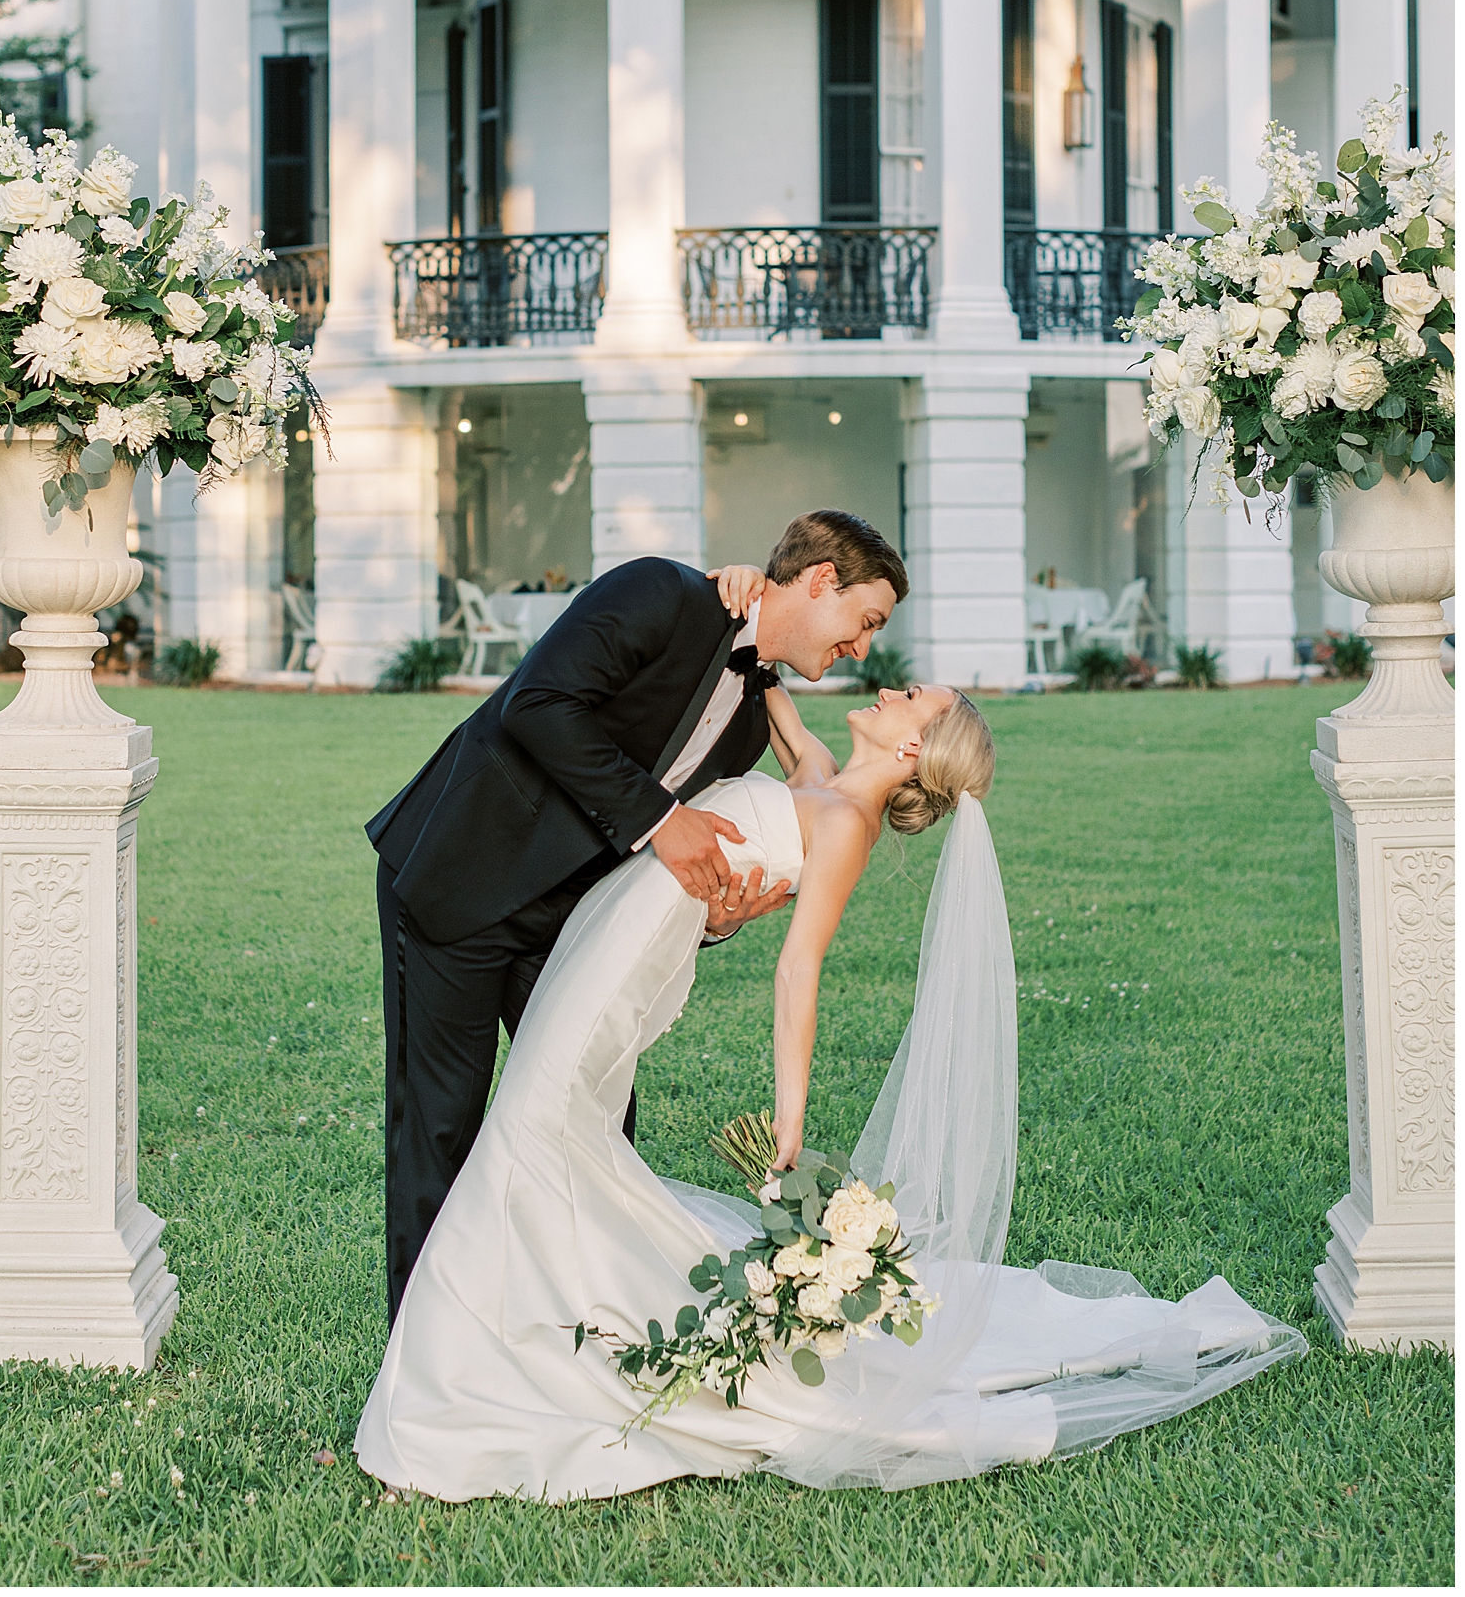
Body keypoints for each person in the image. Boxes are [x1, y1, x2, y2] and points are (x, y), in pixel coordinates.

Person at [355, 574, 1305, 1500]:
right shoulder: (815, 777)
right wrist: (743, 587)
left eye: (909, 696)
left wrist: (789, 1128)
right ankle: (526, 1352)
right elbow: (763, 670)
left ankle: (462, 1400)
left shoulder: (845, 825)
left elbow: (798, 971)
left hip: (607, 979)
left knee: (535, 1143)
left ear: (918, 745)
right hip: (591, 960)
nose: (885, 681)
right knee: (548, 1152)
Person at [366, 510, 907, 1321]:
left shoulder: (753, 726)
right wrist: (663, 818)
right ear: (823, 578)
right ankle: (424, 1352)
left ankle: (574, 1333)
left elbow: (660, 867)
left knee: (595, 1128)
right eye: (866, 620)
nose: (863, 648)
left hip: (569, 928)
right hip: (462, 877)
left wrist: (722, 915)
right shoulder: (660, 592)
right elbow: (538, 704)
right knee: (439, 1128)